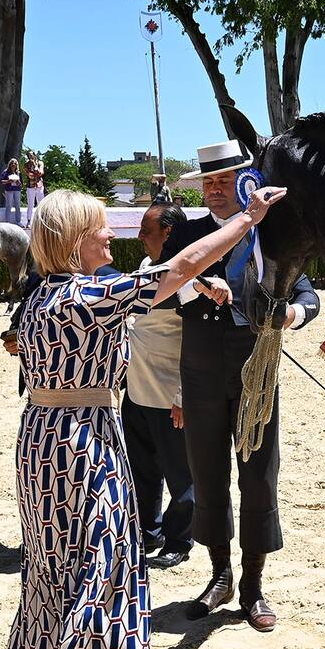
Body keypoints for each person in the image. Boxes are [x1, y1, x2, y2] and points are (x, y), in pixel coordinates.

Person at [10, 184, 284, 649]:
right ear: (75, 240)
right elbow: (179, 265)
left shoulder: (36, 300)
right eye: (99, 228)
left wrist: (196, 285)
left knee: (52, 559)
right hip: (86, 437)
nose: (111, 234)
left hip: (38, 440)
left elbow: (169, 283)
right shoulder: (91, 295)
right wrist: (248, 217)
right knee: (114, 565)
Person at [161, 138, 320, 632]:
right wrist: (200, 285)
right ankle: (220, 575)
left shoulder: (269, 235)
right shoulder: (187, 234)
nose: (214, 189)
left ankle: (253, 583)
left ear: (245, 182)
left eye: (224, 180)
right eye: (207, 181)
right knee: (207, 471)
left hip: (256, 369)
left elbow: (307, 295)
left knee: (258, 474)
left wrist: (291, 315)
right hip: (201, 367)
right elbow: (163, 286)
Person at [125, 201, 194, 568]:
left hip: (170, 395)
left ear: (168, 233)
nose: (139, 237)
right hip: (136, 390)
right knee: (142, 470)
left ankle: (178, 540)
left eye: (146, 230)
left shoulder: (189, 279)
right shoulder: (145, 267)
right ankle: (147, 531)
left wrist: (184, 394)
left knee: (181, 474)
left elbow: (196, 342)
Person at [25, 149, 44, 223]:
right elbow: (30, 176)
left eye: (31, 155)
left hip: (39, 186)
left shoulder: (40, 163)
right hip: (30, 186)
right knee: (30, 204)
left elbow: (41, 173)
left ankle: (41, 220)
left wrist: (35, 165)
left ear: (35, 155)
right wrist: (35, 173)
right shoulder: (26, 165)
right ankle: (29, 221)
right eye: (29, 156)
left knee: (41, 203)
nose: (30, 157)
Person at [2, 158, 22, 225]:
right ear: (9, 164)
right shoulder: (6, 172)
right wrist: (8, 181)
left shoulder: (18, 173)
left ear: (17, 165)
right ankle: (7, 221)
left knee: (17, 206)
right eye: (12, 163)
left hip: (17, 190)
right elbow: (2, 181)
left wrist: (19, 183)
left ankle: (18, 221)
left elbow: (21, 184)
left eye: (15, 163)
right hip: (9, 190)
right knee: (9, 205)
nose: (13, 165)